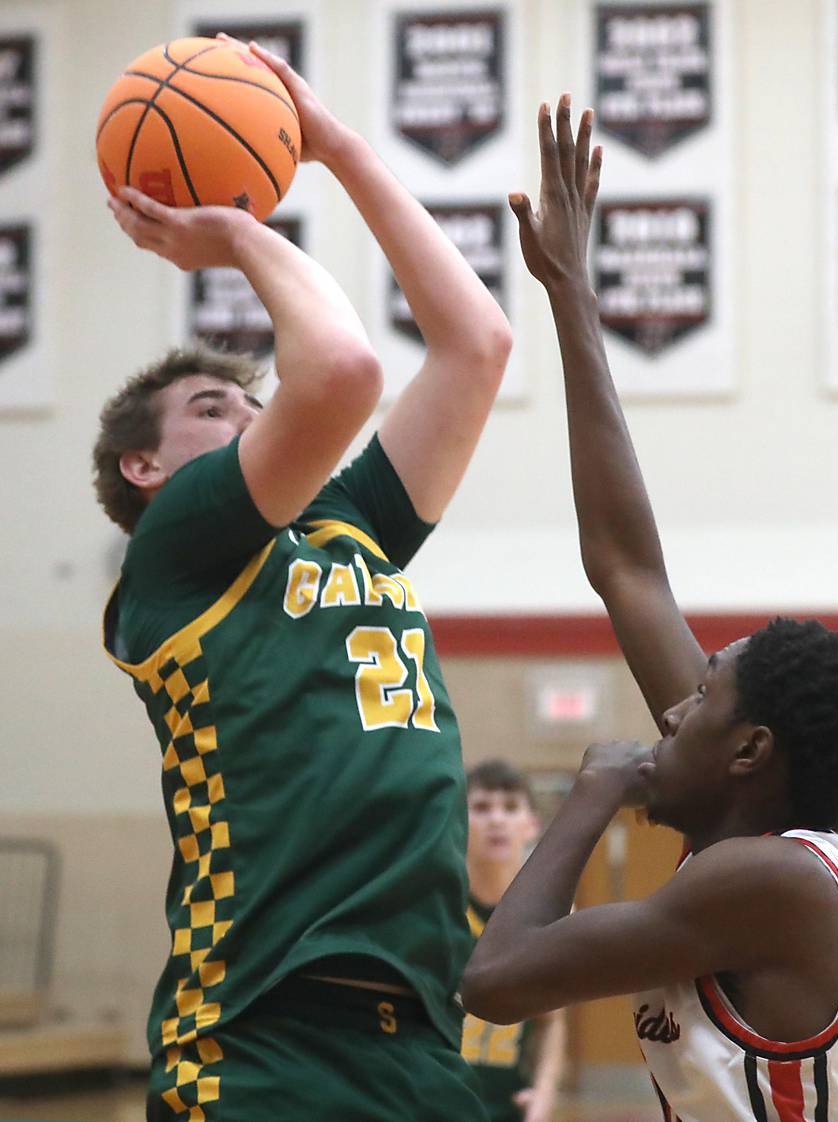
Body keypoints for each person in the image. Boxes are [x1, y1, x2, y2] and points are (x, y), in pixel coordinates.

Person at [462, 96, 838, 1122]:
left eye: (701, 694)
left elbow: (497, 977)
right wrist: (570, 294)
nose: (672, 707)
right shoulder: (746, 814)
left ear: (749, 750)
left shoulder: (765, 882)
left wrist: (591, 792)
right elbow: (627, 567)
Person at [94, 37, 511, 1122]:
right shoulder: (176, 552)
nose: (246, 413)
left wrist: (334, 146)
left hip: (423, 1027)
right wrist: (234, 229)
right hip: (258, 1033)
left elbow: (475, 344)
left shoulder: (347, 526)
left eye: (247, 401)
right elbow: (343, 372)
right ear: (146, 468)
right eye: (209, 409)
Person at [463, 761, 567, 1122]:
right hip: (438, 1100)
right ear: (459, 823)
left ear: (531, 824)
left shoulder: (543, 915)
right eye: (481, 808)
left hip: (508, 1106)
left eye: (510, 808)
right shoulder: (440, 906)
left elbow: (551, 1021)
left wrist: (544, 1091)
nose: (496, 820)